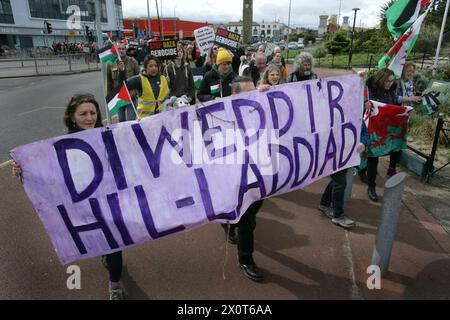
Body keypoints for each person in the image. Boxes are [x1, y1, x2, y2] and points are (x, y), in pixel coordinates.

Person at [11, 94, 125, 300]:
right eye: (83, 114)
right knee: (102, 239)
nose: (89, 118)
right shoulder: (60, 145)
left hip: (110, 202)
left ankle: (114, 286)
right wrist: (23, 171)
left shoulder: (107, 135)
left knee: (115, 243)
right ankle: (106, 254)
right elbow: (46, 174)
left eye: (93, 113)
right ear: (72, 117)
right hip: (84, 205)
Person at [227, 76, 266, 282]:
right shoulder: (222, 114)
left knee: (256, 206)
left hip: (259, 170)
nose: (254, 95)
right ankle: (246, 258)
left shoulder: (261, 108)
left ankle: (231, 222)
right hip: (235, 173)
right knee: (247, 219)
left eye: (255, 91)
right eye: (248, 92)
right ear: (234, 95)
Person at [364, 68, 405, 201]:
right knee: (372, 156)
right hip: (372, 127)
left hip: (385, 128)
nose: (389, 84)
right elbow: (362, 101)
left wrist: (406, 110)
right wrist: (366, 104)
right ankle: (371, 186)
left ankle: (391, 168)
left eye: (392, 81)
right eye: (387, 81)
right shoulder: (370, 89)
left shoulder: (392, 91)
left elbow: (395, 106)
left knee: (397, 147)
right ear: (381, 79)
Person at [118, 55, 170, 120]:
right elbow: (123, 86)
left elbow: (167, 97)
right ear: (145, 67)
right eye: (151, 66)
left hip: (161, 120)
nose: (154, 68)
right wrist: (122, 72)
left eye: (156, 66)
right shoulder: (139, 79)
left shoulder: (163, 79)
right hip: (145, 122)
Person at [106, 42, 140, 122]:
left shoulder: (133, 62)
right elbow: (109, 82)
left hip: (130, 96)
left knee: (131, 121)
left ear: (126, 50)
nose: (121, 51)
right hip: (118, 97)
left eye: (123, 49)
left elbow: (139, 78)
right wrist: (109, 96)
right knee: (121, 121)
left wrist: (136, 92)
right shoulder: (111, 64)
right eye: (119, 49)